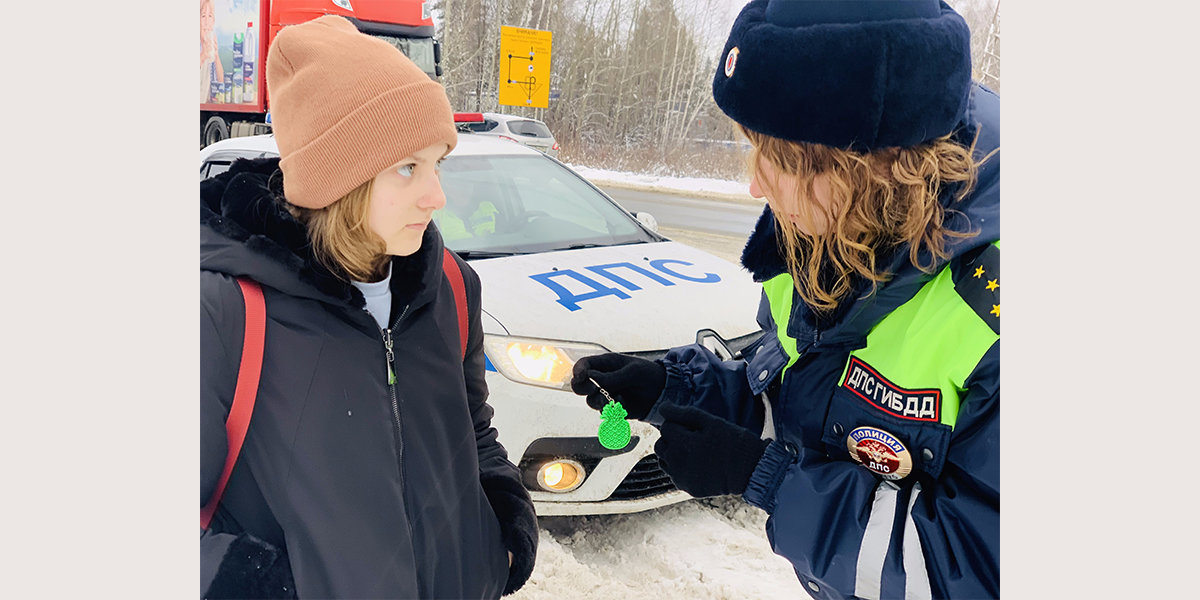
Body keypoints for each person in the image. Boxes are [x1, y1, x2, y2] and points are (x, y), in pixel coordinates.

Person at [571, 1, 999, 598]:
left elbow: (975, 570)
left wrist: (767, 479)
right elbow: (801, 402)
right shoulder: (822, 237)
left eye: (783, 159)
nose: (755, 184)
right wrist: (675, 389)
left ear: (876, 164)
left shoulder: (993, 309)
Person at [200, 15, 537, 599]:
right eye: (408, 167)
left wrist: (502, 523)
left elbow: (472, 432)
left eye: (437, 164)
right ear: (339, 182)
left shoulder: (452, 287)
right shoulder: (226, 310)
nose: (436, 196)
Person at [200, 0, 224, 103]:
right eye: (203, 16)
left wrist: (216, 56)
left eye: (210, 16)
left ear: (213, 21)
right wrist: (203, 56)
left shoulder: (211, 43)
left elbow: (220, 81)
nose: (206, 22)